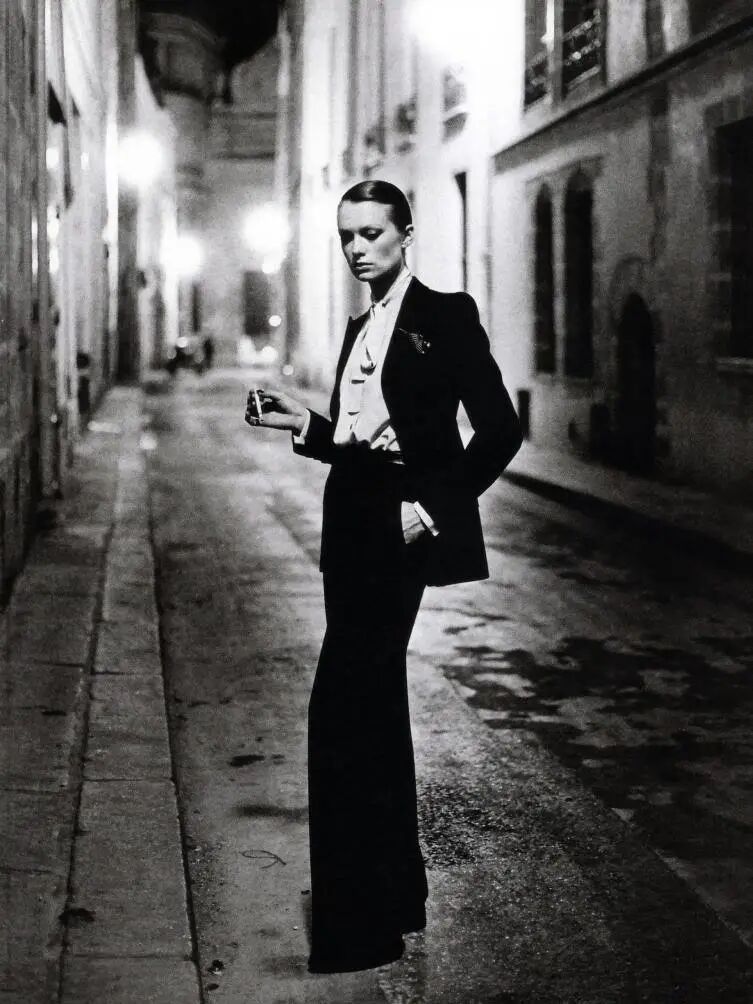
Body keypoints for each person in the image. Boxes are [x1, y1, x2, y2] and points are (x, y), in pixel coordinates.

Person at [244, 180, 522, 974]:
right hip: (350, 528)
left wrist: (431, 510)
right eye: (346, 236)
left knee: (341, 713)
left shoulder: (445, 315)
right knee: (369, 711)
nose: (357, 248)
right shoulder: (359, 325)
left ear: (405, 232)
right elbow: (359, 443)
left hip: (400, 530)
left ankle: (358, 926)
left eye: (371, 233)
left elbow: (500, 431)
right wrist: (304, 423)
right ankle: (390, 896)